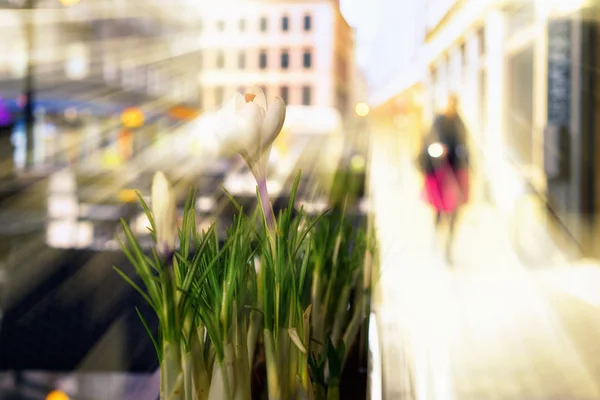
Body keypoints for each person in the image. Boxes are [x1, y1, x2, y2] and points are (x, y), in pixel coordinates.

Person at [418, 94, 470, 264]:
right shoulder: (438, 122)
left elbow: (464, 145)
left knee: (454, 210)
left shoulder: (459, 122)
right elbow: (429, 143)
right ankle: (437, 239)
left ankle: (448, 245)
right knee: (439, 209)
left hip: (455, 172)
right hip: (440, 173)